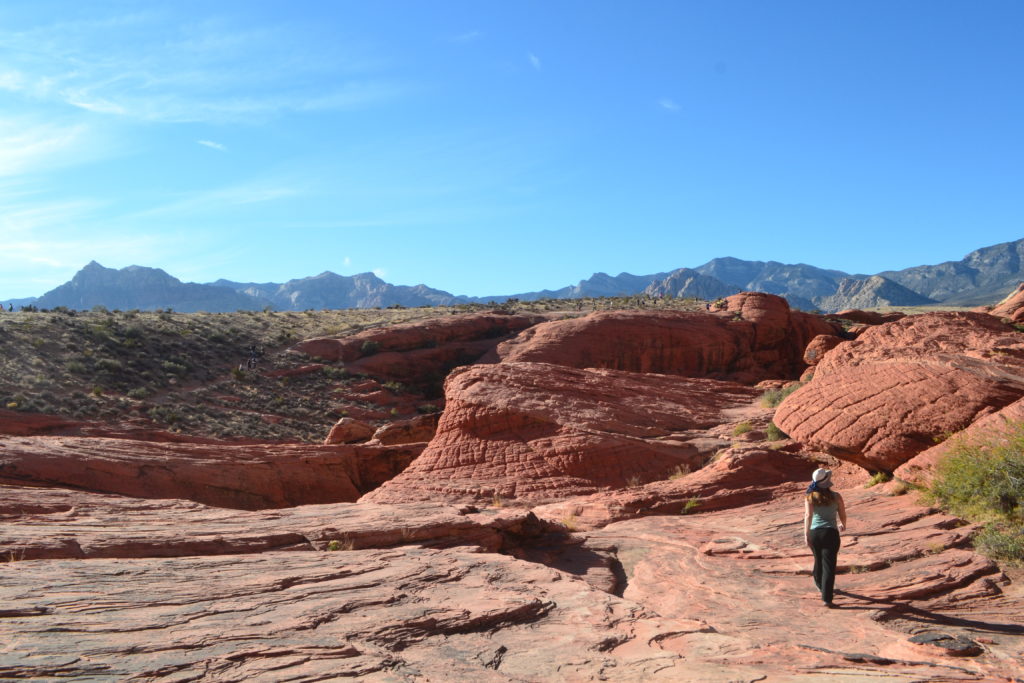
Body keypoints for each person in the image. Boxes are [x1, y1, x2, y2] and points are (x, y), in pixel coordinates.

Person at [803, 467, 847, 607]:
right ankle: (827, 598)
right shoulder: (836, 496)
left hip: (815, 533)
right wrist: (843, 524)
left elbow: (808, 516)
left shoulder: (809, 497)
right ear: (828, 481)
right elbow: (842, 512)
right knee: (829, 565)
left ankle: (819, 584)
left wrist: (806, 534)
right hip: (831, 533)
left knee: (818, 559)